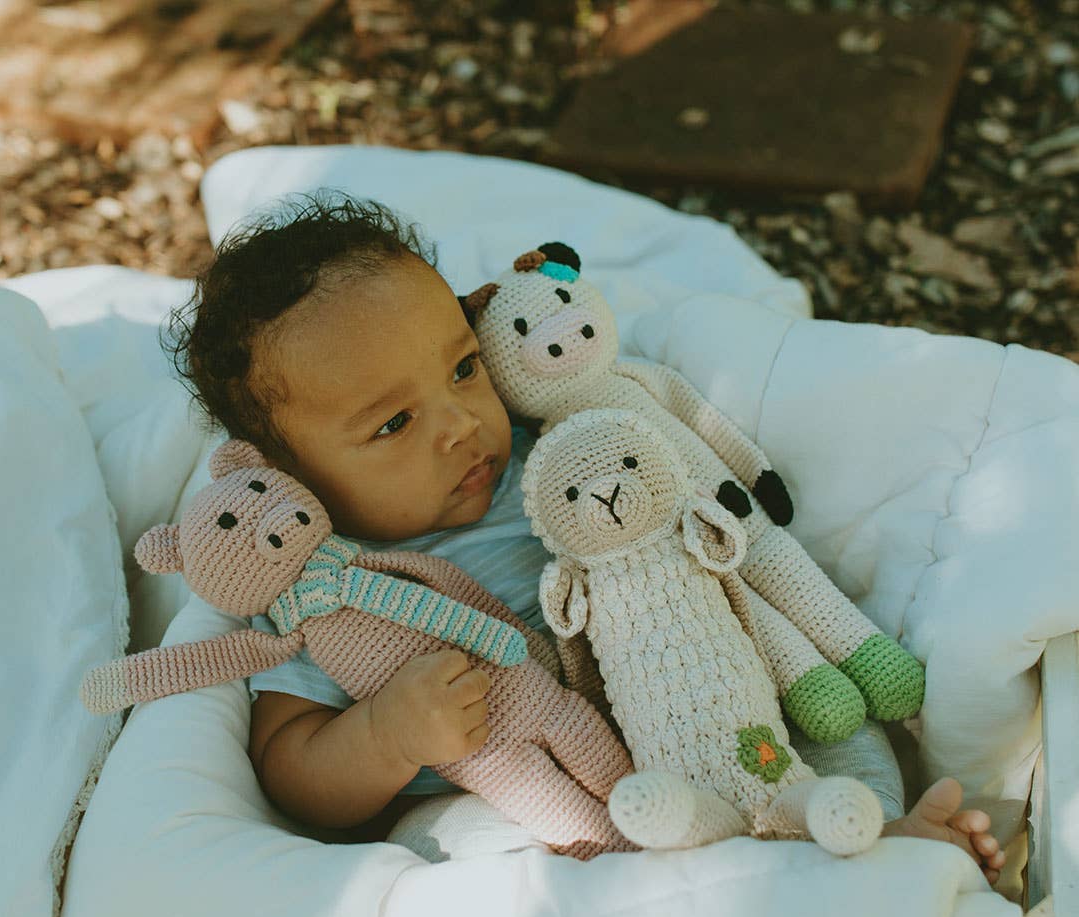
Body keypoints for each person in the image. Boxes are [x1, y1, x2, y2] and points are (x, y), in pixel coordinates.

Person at [167, 191, 1005, 880]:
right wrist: (385, 735)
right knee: (462, 852)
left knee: (833, 737)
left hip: (708, 710)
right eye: (393, 423)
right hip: (540, 799)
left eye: (463, 368)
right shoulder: (329, 586)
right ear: (290, 478)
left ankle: (882, 847)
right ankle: (753, 892)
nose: (462, 424)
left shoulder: (555, 449)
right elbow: (290, 769)